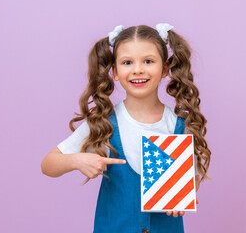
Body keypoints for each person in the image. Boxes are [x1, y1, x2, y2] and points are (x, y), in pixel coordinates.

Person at [41, 23, 211, 233]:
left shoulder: (180, 126)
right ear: (115, 71)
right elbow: (48, 164)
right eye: (127, 62)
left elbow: (191, 179)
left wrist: (186, 192)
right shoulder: (103, 122)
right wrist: (78, 160)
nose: (137, 69)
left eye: (148, 61)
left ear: (165, 68)